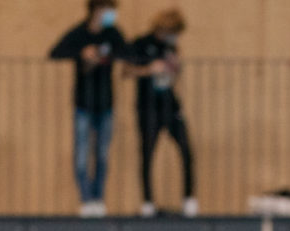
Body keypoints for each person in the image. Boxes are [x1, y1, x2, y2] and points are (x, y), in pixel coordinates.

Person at [49, 0, 130, 217]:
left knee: (102, 154)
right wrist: (81, 53)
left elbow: (128, 53)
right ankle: (85, 199)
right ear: (96, 10)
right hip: (83, 104)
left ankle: (98, 198)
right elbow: (55, 52)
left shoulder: (113, 34)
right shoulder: (79, 33)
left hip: (105, 103)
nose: (111, 15)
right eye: (108, 10)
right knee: (82, 156)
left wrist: (109, 55)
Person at [123, 8, 197, 218]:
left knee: (186, 149)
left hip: (169, 105)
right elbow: (126, 71)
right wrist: (149, 69)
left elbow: (174, 76)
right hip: (148, 107)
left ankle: (189, 198)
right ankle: (147, 201)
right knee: (147, 153)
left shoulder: (171, 47)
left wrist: (175, 69)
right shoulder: (140, 44)